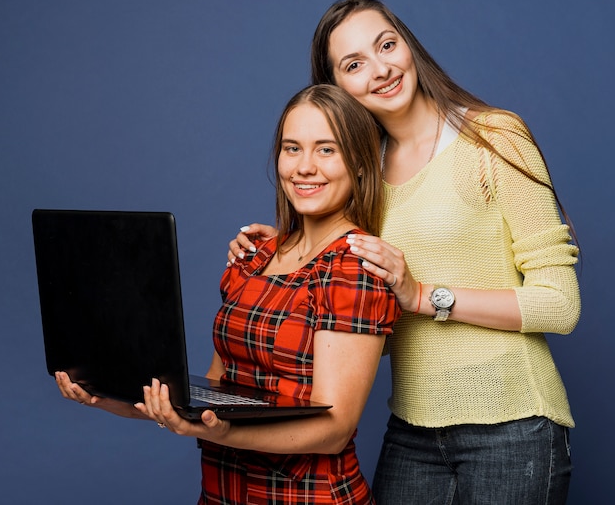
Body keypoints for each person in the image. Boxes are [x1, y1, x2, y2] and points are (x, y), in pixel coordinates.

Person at [227, 0, 581, 505]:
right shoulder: (361, 174)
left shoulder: (494, 137)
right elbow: (366, 323)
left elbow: (560, 305)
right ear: (337, 88)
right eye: (354, 64)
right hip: (412, 428)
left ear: (407, 45)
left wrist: (424, 295)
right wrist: (287, 253)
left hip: (513, 424)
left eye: (386, 45)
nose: (382, 69)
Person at [56, 83, 401, 504]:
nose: (304, 167)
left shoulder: (355, 268)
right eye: (292, 148)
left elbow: (335, 430)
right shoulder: (253, 257)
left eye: (326, 150)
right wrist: (105, 393)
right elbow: (211, 393)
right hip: (223, 491)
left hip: (308, 496)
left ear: (360, 164)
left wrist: (223, 431)